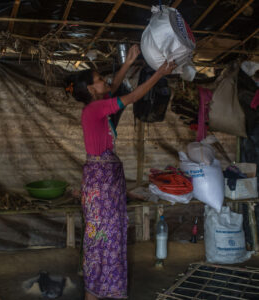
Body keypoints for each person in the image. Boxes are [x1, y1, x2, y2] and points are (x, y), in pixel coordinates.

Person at [66, 45, 176, 300]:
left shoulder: (98, 104)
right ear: (92, 89)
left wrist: (130, 61)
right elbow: (133, 96)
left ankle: (102, 291)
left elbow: (114, 87)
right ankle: (97, 293)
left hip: (104, 185)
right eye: (98, 80)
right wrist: (159, 73)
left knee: (107, 239)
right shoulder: (94, 110)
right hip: (101, 186)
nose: (104, 81)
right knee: (103, 239)